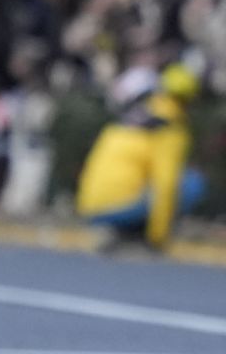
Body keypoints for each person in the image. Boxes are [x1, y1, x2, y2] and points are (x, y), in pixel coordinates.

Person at [75, 64, 203, 252]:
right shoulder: (171, 128)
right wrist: (158, 238)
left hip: (88, 205)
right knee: (192, 183)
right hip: (118, 209)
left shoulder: (135, 114)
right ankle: (138, 234)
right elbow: (165, 184)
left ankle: (120, 229)